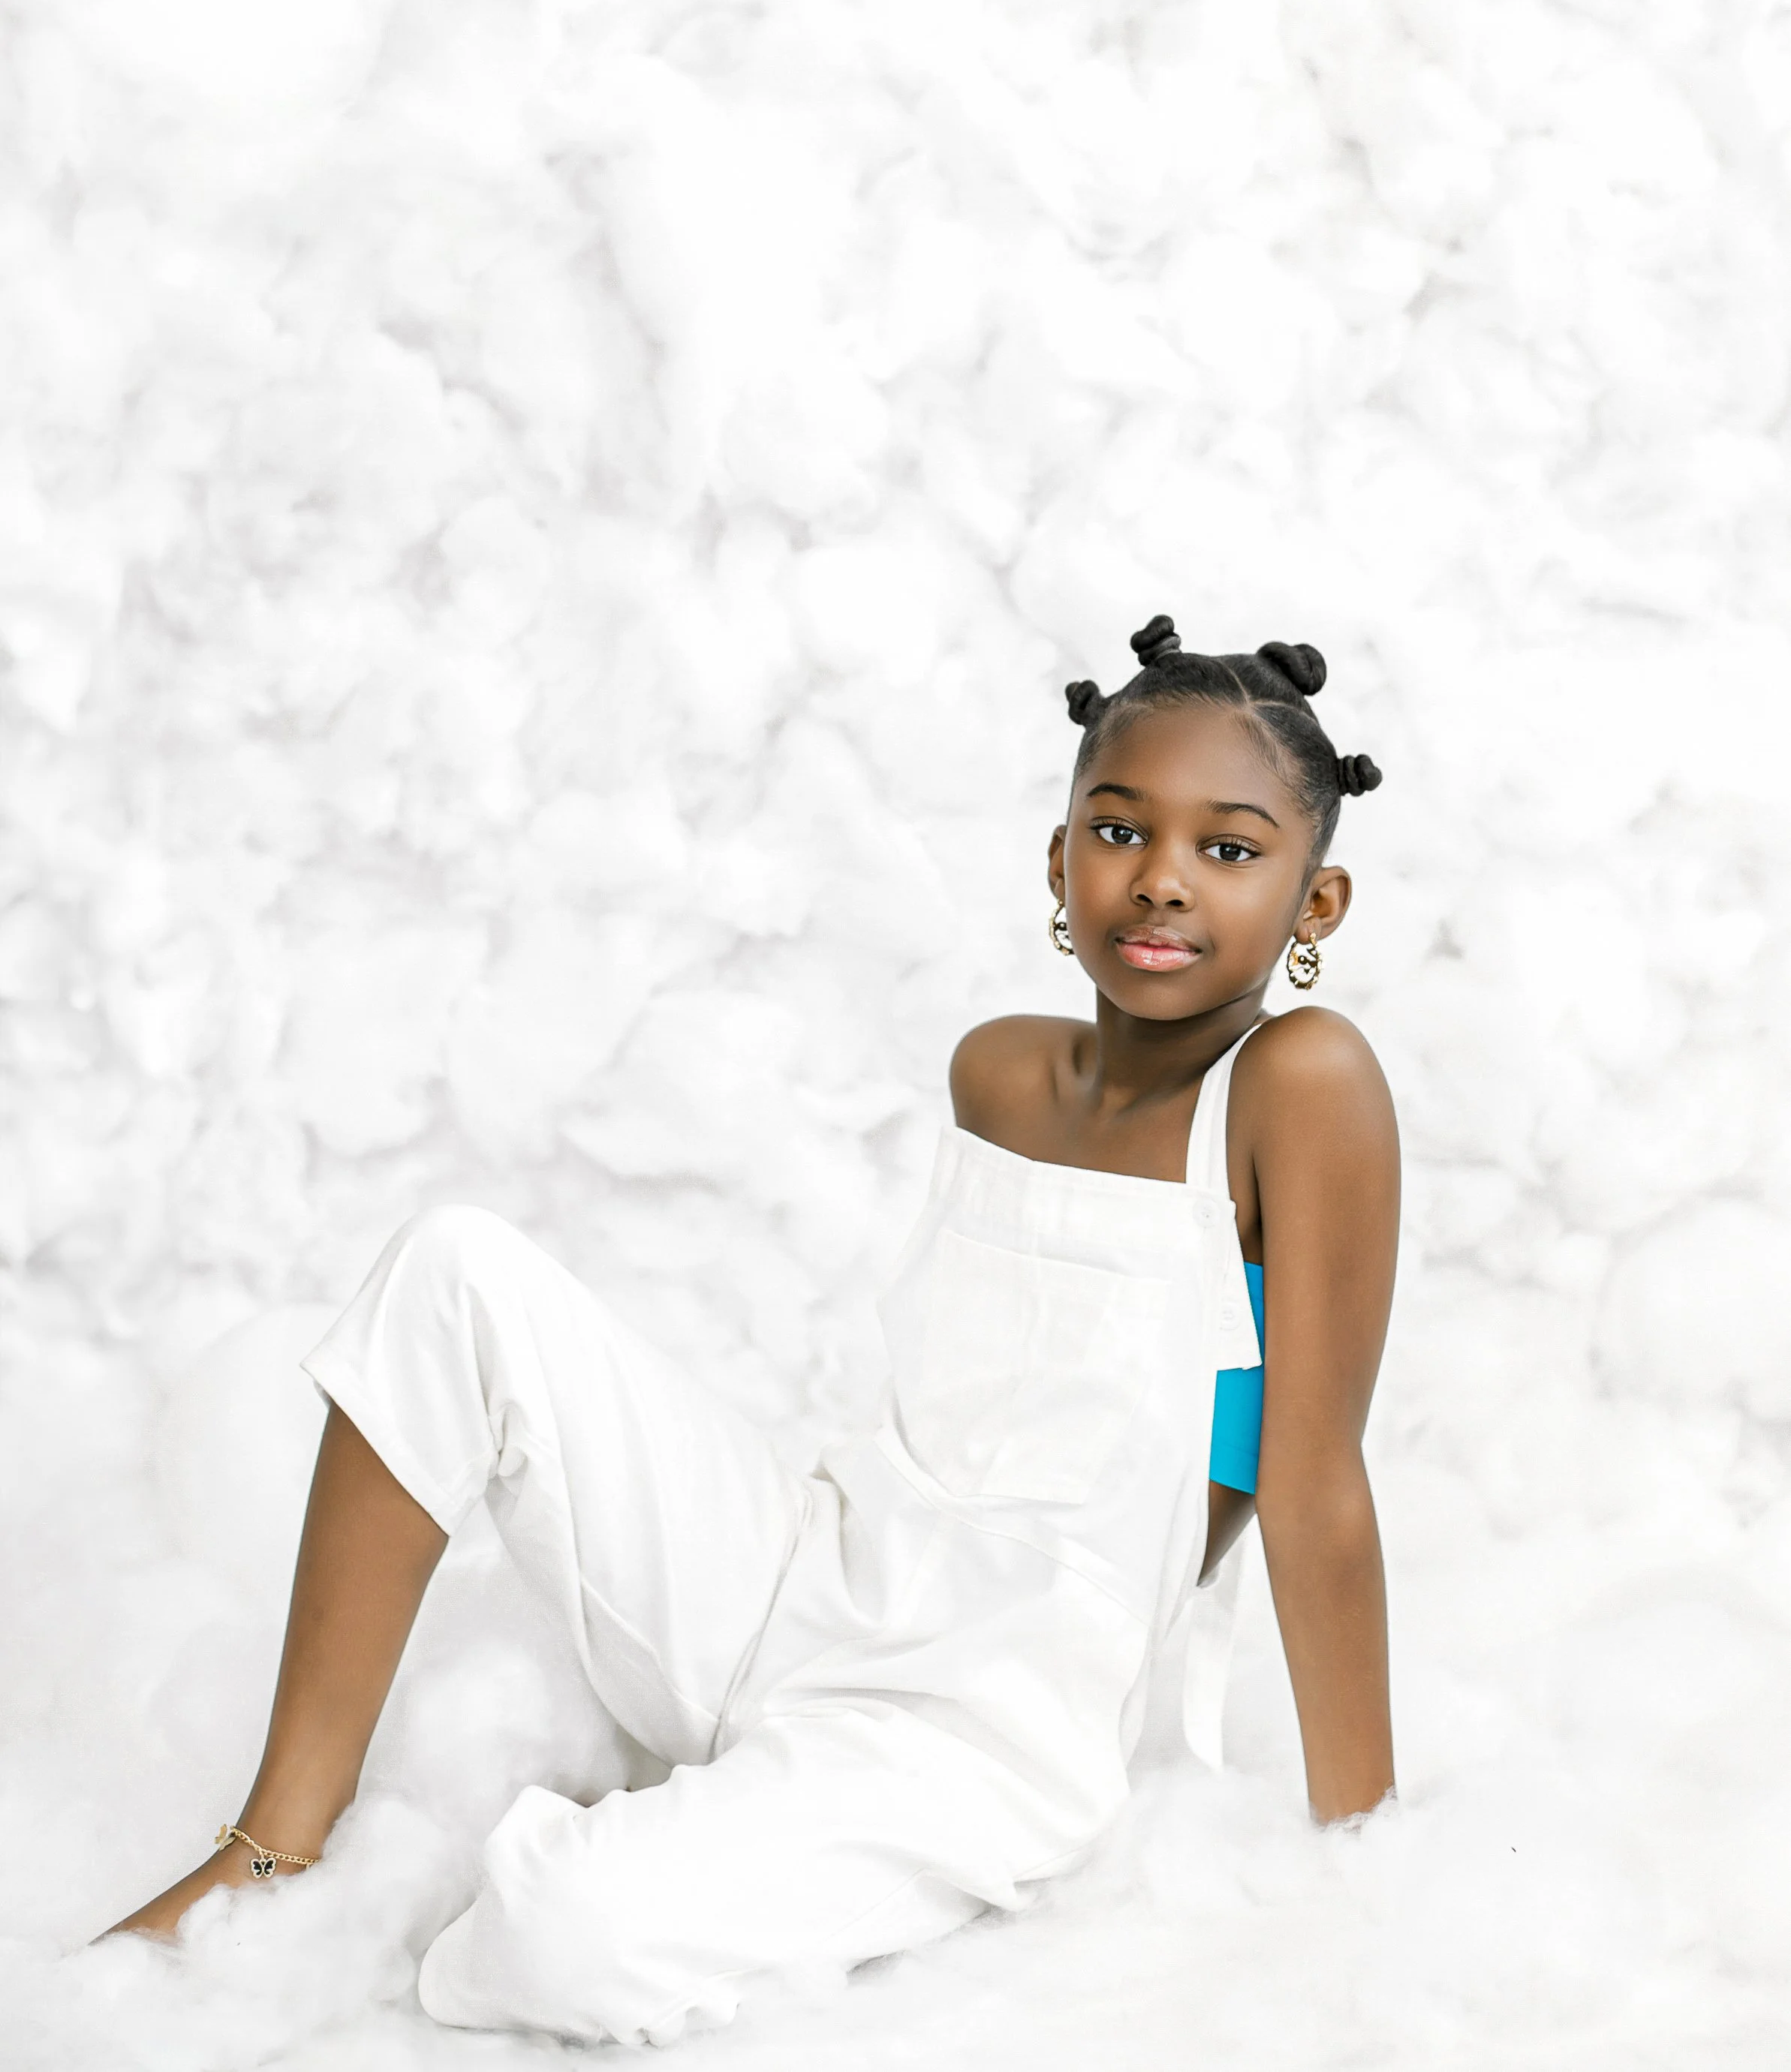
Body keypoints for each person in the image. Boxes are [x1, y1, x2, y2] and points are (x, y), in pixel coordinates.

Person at [111, 616, 1401, 2043]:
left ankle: (677, 1853)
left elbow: (1308, 1484)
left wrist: (1369, 1875)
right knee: (455, 1269)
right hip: (806, 1572)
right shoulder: (999, 1070)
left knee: (563, 1935)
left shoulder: (1301, 1081)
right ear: (1056, 860)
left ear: (1317, 901)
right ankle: (277, 1848)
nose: (1159, 875)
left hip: (980, 1718)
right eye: (1117, 829)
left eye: (1227, 848)